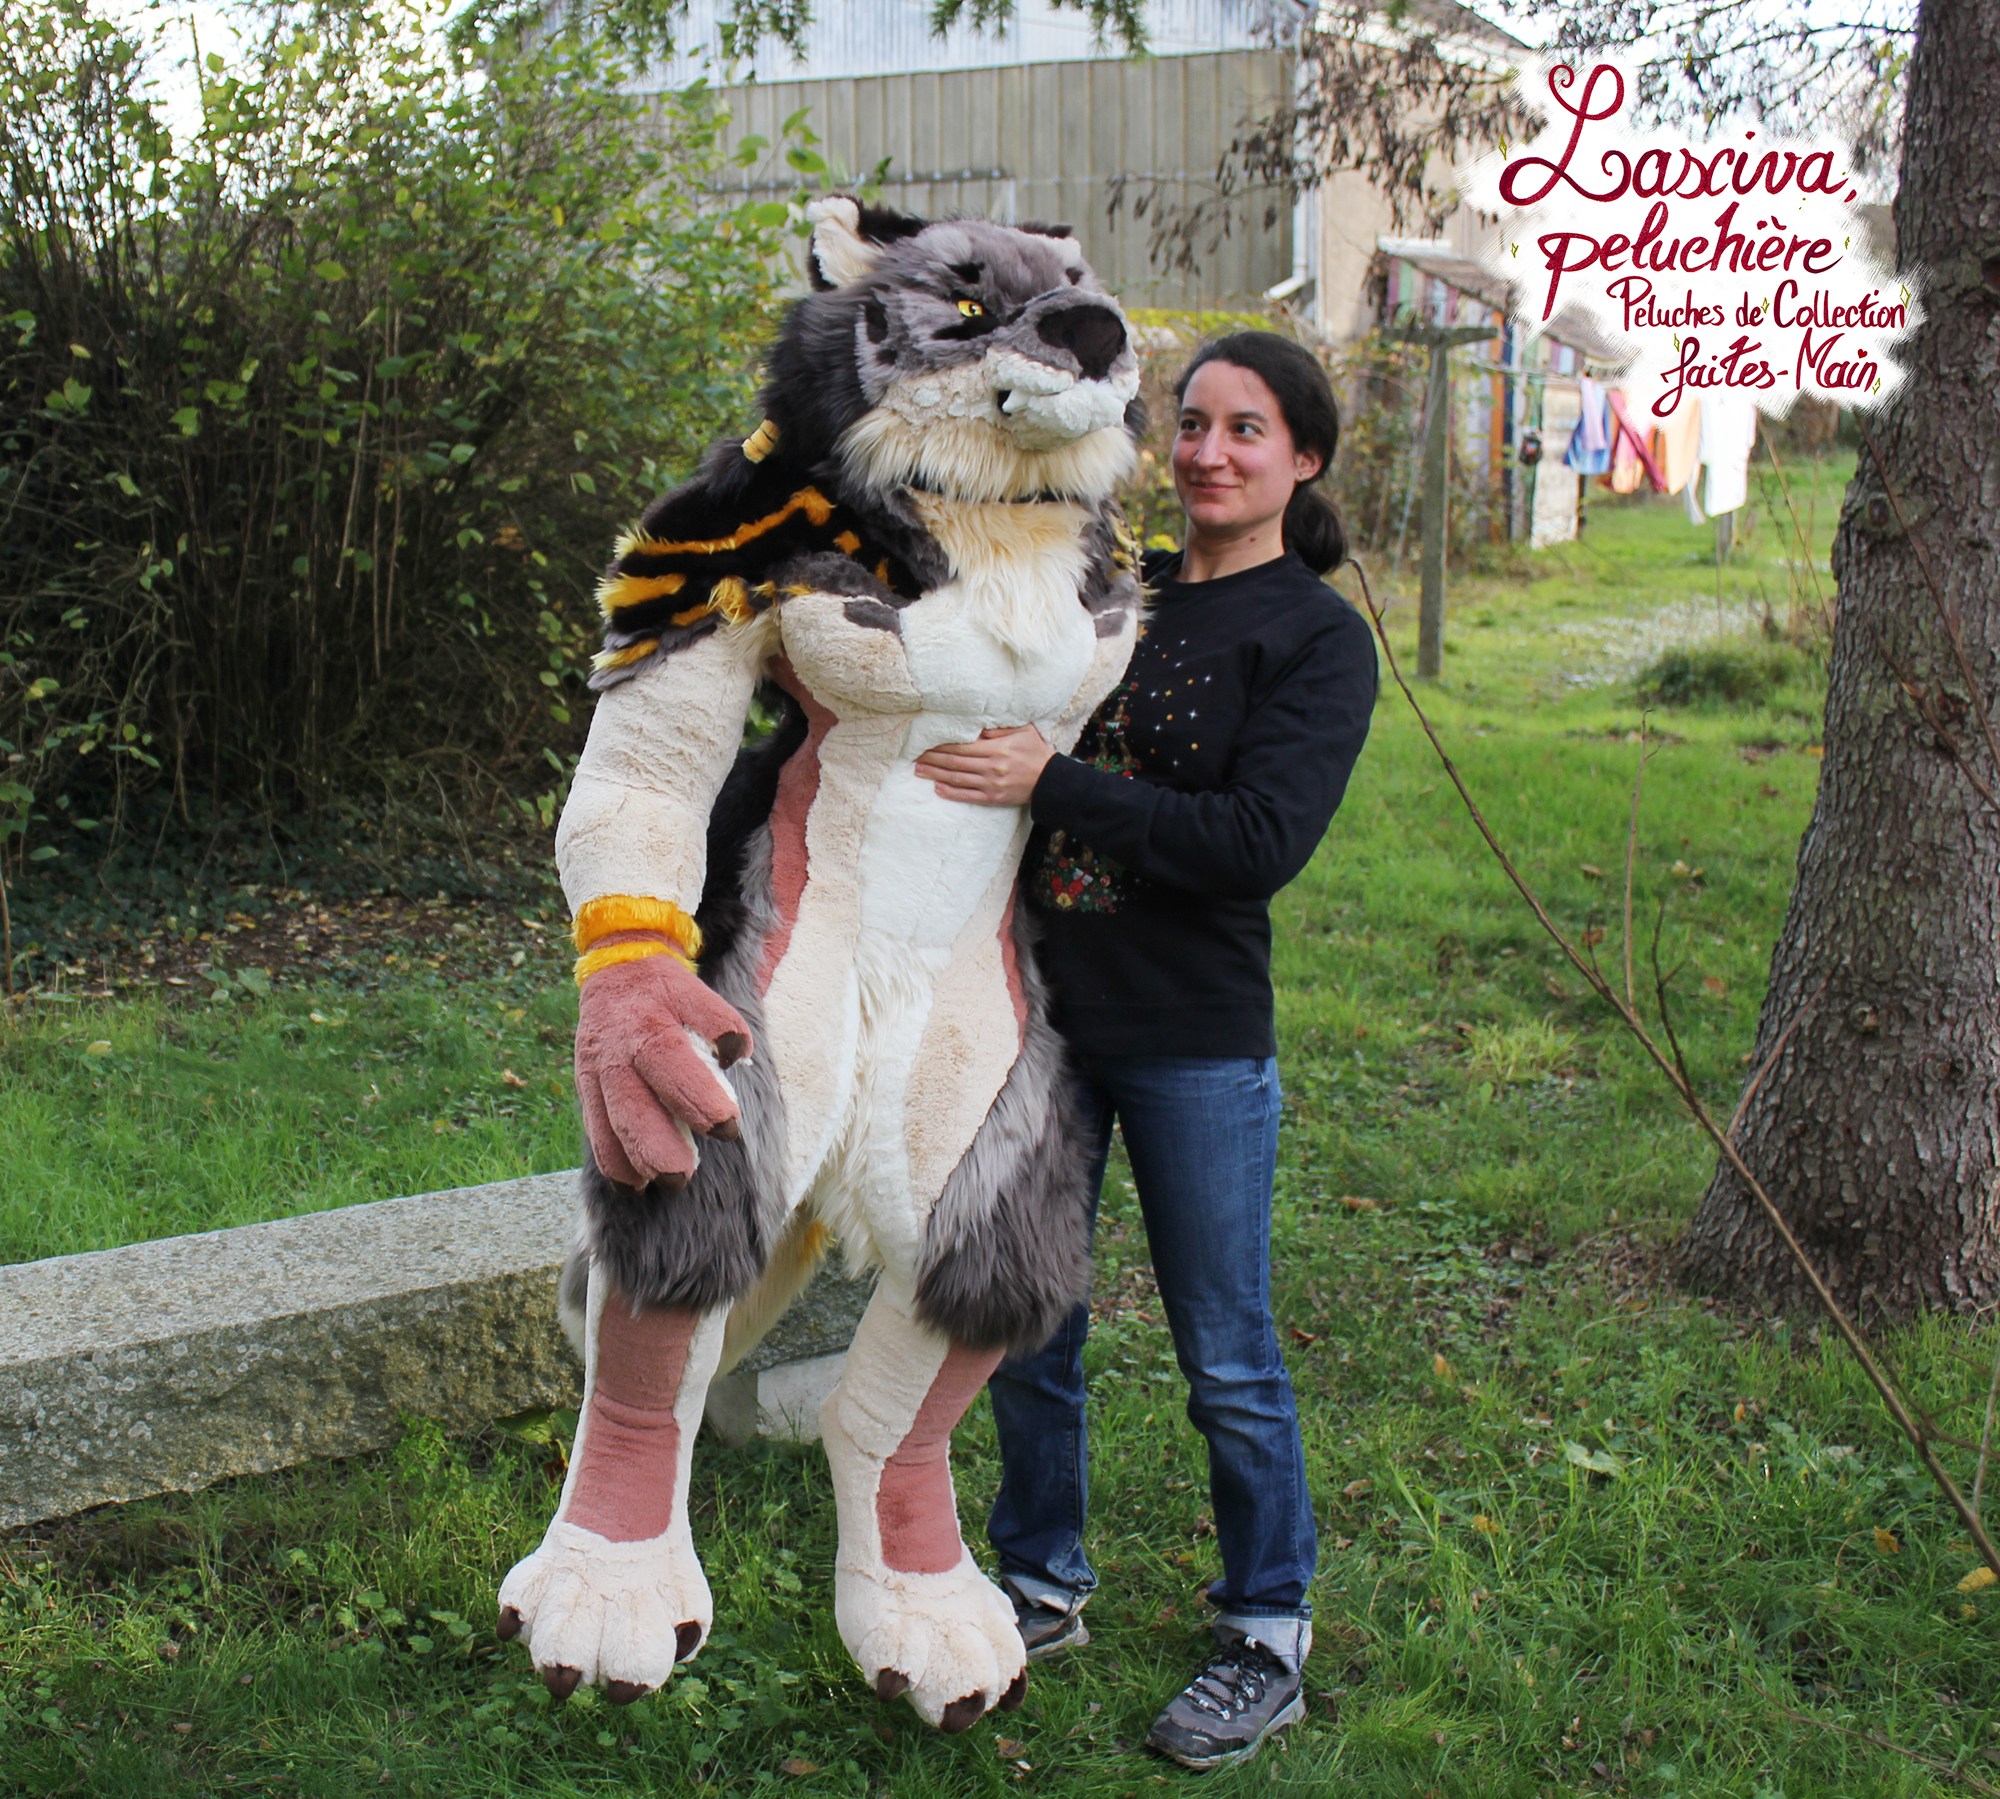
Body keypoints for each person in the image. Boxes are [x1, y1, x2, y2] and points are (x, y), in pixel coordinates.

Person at [913, 329, 1378, 1770]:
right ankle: (1040, 1581)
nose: (1209, 452)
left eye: (1246, 429)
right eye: (1192, 424)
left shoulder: (1314, 637)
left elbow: (1255, 844)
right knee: (1028, 1327)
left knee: (1225, 1353)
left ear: (1302, 458)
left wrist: (1056, 782)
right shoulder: (1110, 595)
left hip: (1192, 1037)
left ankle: (1266, 1629)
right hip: (1038, 1019)